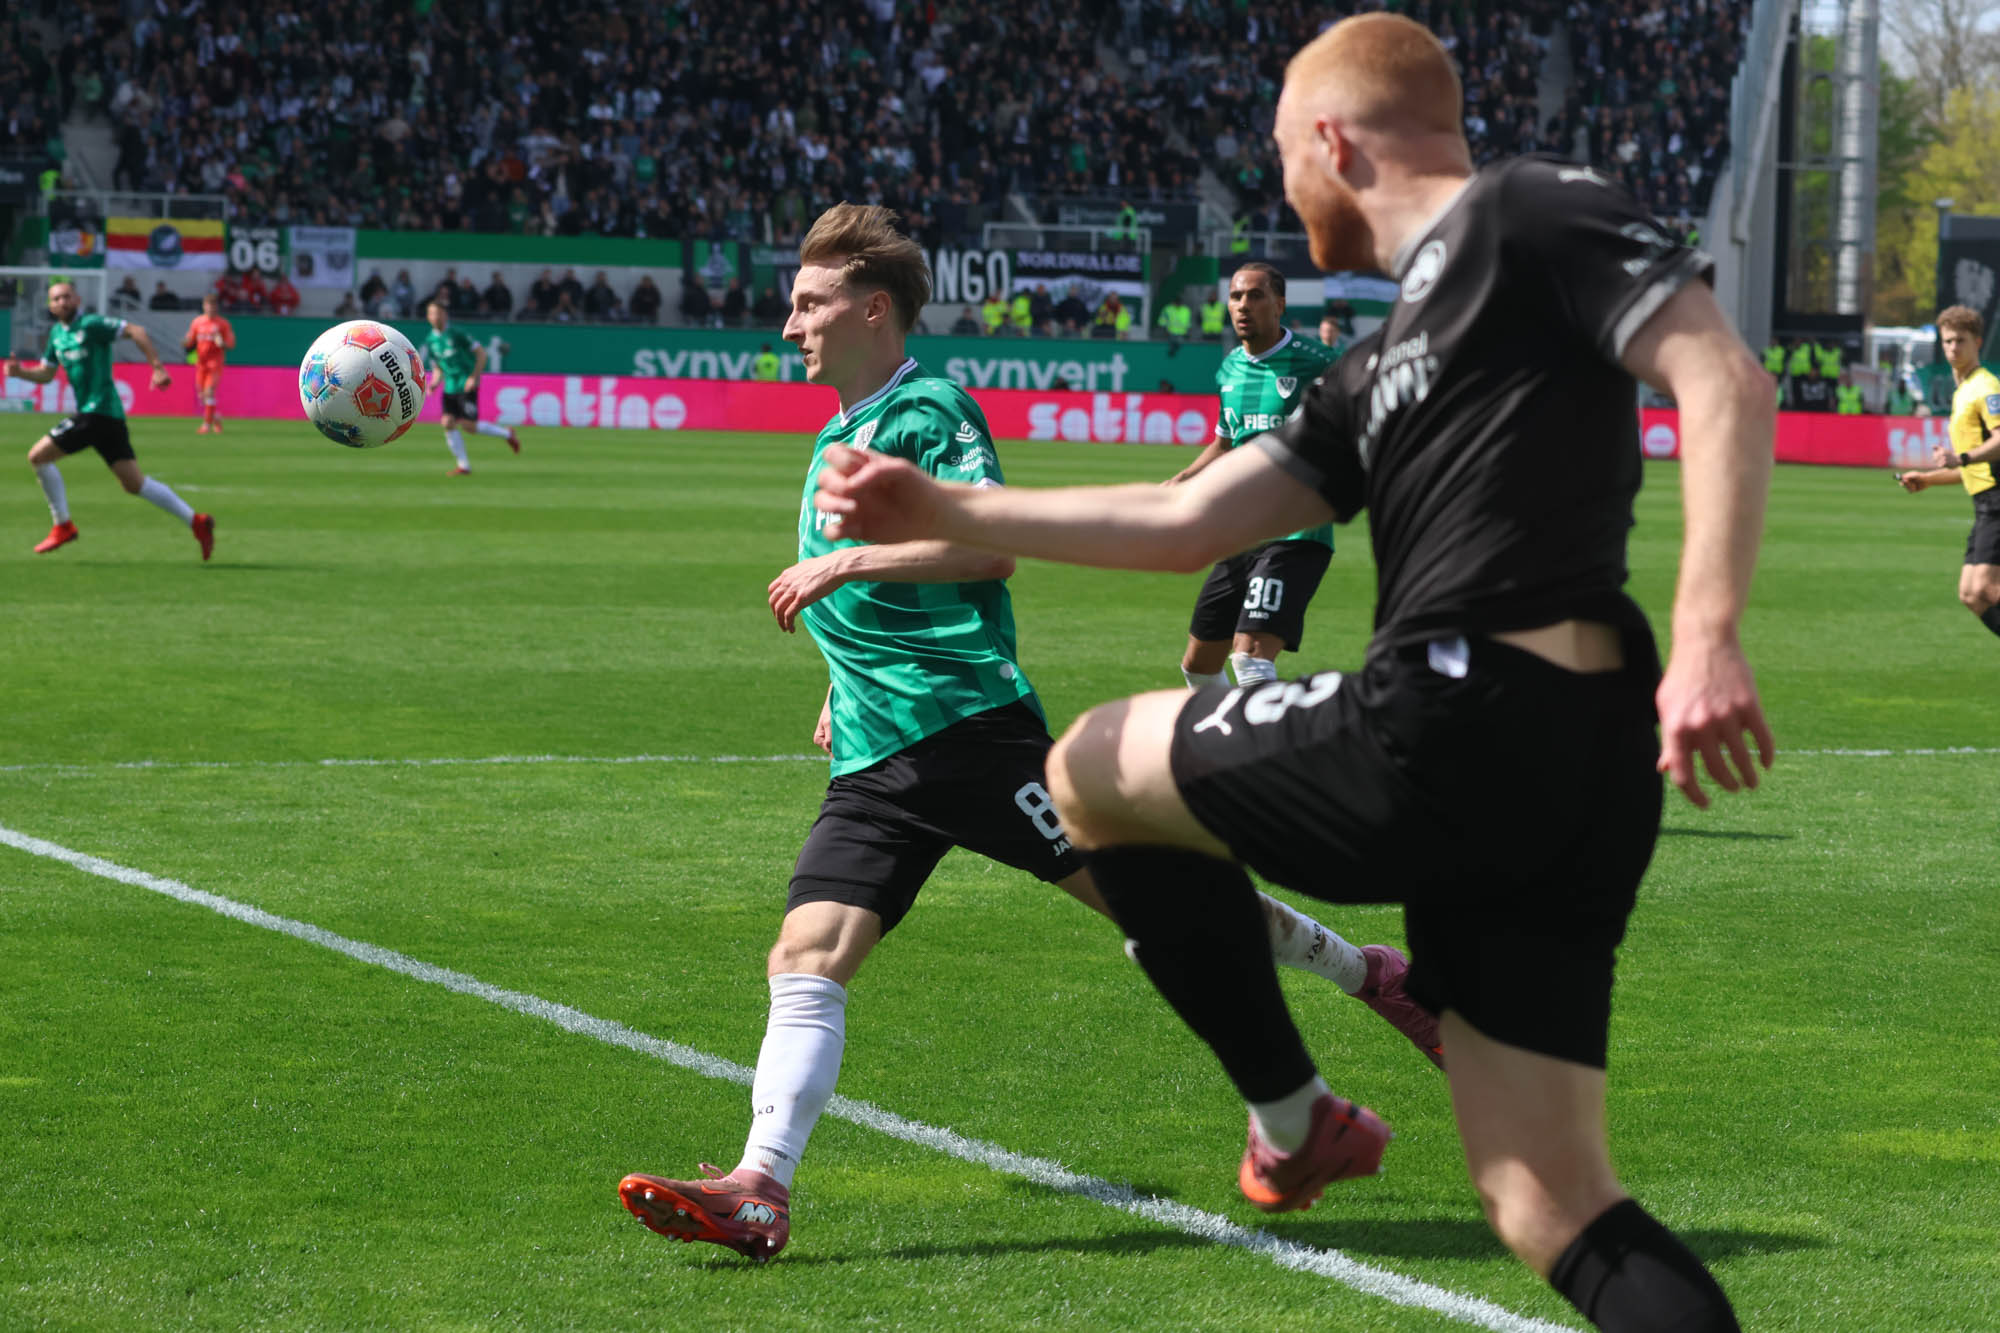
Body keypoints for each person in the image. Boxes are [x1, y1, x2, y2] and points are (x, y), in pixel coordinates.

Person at [812, 17, 1771, 1331]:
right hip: (1574, 773)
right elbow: (1183, 521)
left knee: (1090, 761)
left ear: (1331, 140)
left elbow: (1720, 375)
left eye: (1281, 155)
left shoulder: (1531, 212)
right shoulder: (1378, 363)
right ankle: (1304, 1113)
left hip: (1464, 706)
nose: (1281, 189)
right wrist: (948, 504)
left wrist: (1710, 630)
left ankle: (1295, 1114)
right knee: (1548, 1202)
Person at [617, 202, 1437, 1264]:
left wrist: (844, 562)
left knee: (1161, 898)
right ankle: (759, 1187)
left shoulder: (929, 407)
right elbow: (881, 610)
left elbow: (986, 550)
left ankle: (1370, 979)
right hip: (876, 754)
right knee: (805, 954)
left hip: (969, 738)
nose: (791, 328)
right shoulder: (838, 426)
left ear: (873, 309)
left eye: (809, 305)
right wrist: (839, 674)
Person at [1164, 262, 1342, 692]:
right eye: (1236, 296)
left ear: (1279, 305)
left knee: (1250, 659)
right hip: (1240, 532)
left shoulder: (1318, 362)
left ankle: (1265, 755)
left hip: (1295, 532)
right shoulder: (1229, 369)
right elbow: (1226, 443)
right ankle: (1227, 750)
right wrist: (1181, 480)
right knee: (1198, 666)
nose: (1243, 305)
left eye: (1255, 296)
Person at [6, 280, 213, 560]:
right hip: (108, 419)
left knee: (38, 457)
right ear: (50, 306)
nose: (62, 302)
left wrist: (157, 367)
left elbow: (136, 330)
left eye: (67, 297)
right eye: (56, 299)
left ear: (77, 300)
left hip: (98, 411)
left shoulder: (91, 325)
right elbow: (46, 373)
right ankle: (196, 521)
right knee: (134, 484)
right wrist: (20, 373)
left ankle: (63, 525)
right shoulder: (57, 334)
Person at [1894, 304, 2000, 641]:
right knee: (1971, 594)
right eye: (1948, 341)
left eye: (1961, 341)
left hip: (1998, 501)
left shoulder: (1986, 387)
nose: (1954, 348)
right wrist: (1927, 479)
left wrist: (1963, 457)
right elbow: (1968, 467)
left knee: (1984, 587)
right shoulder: (1962, 392)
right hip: (1985, 503)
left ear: (1977, 343)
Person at [421, 298, 521, 476]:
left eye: (437, 313)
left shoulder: (457, 334)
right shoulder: (430, 340)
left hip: (466, 385)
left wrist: (473, 377)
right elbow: (438, 365)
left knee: (469, 426)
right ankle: (464, 466)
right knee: (447, 423)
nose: (434, 317)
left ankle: (507, 434)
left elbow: (482, 354)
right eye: (430, 314)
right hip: (450, 387)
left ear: (445, 315)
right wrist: (435, 382)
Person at [182, 293, 235, 434]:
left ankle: (206, 425)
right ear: (204, 306)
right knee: (203, 397)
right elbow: (190, 340)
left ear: (216, 307)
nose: (210, 308)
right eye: (208, 305)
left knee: (209, 392)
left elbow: (231, 343)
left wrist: (222, 343)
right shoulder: (197, 322)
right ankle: (215, 418)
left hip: (215, 363)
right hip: (201, 363)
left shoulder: (222, 324)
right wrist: (186, 342)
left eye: (213, 305)